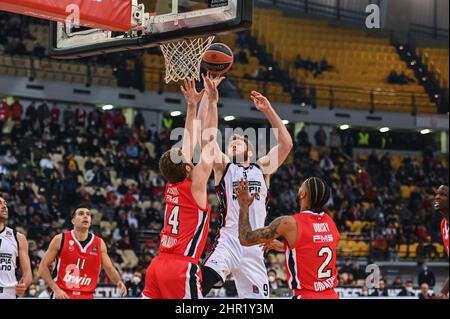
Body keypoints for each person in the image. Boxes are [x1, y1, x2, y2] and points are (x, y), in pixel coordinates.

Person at [201, 89, 293, 299]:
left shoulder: (261, 168)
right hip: (230, 240)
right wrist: (212, 103)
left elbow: (286, 144)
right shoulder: (225, 167)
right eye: (231, 143)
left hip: (255, 245)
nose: (233, 143)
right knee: (202, 281)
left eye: (239, 142)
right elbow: (207, 141)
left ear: (250, 151)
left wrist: (268, 109)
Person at [142, 74, 222, 299]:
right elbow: (208, 141)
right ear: (187, 168)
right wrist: (213, 102)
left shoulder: (172, 182)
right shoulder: (195, 185)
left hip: (157, 265)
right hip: (180, 268)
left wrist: (193, 104)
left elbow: (189, 139)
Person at [235, 177, 340, 299]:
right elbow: (314, 250)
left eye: (302, 186)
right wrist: (284, 247)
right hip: (331, 295)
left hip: (306, 296)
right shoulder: (330, 223)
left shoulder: (289, 223)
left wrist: (243, 205)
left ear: (303, 193)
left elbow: (245, 238)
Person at [38, 207, 127, 299]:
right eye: (81, 214)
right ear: (73, 221)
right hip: (63, 295)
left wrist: (118, 281)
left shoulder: (99, 243)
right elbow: (42, 267)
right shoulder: (61, 239)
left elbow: (109, 268)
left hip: (87, 296)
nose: (85, 216)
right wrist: (56, 289)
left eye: (88, 214)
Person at [0, 196, 32, 299]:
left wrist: (24, 284)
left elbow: (27, 273)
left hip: (8, 294)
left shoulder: (18, 237)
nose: (4, 206)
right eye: (0, 203)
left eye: (5, 203)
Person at [434, 185, 449, 299]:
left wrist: (443, 292)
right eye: (437, 194)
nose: (437, 197)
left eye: (443, 194)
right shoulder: (443, 224)